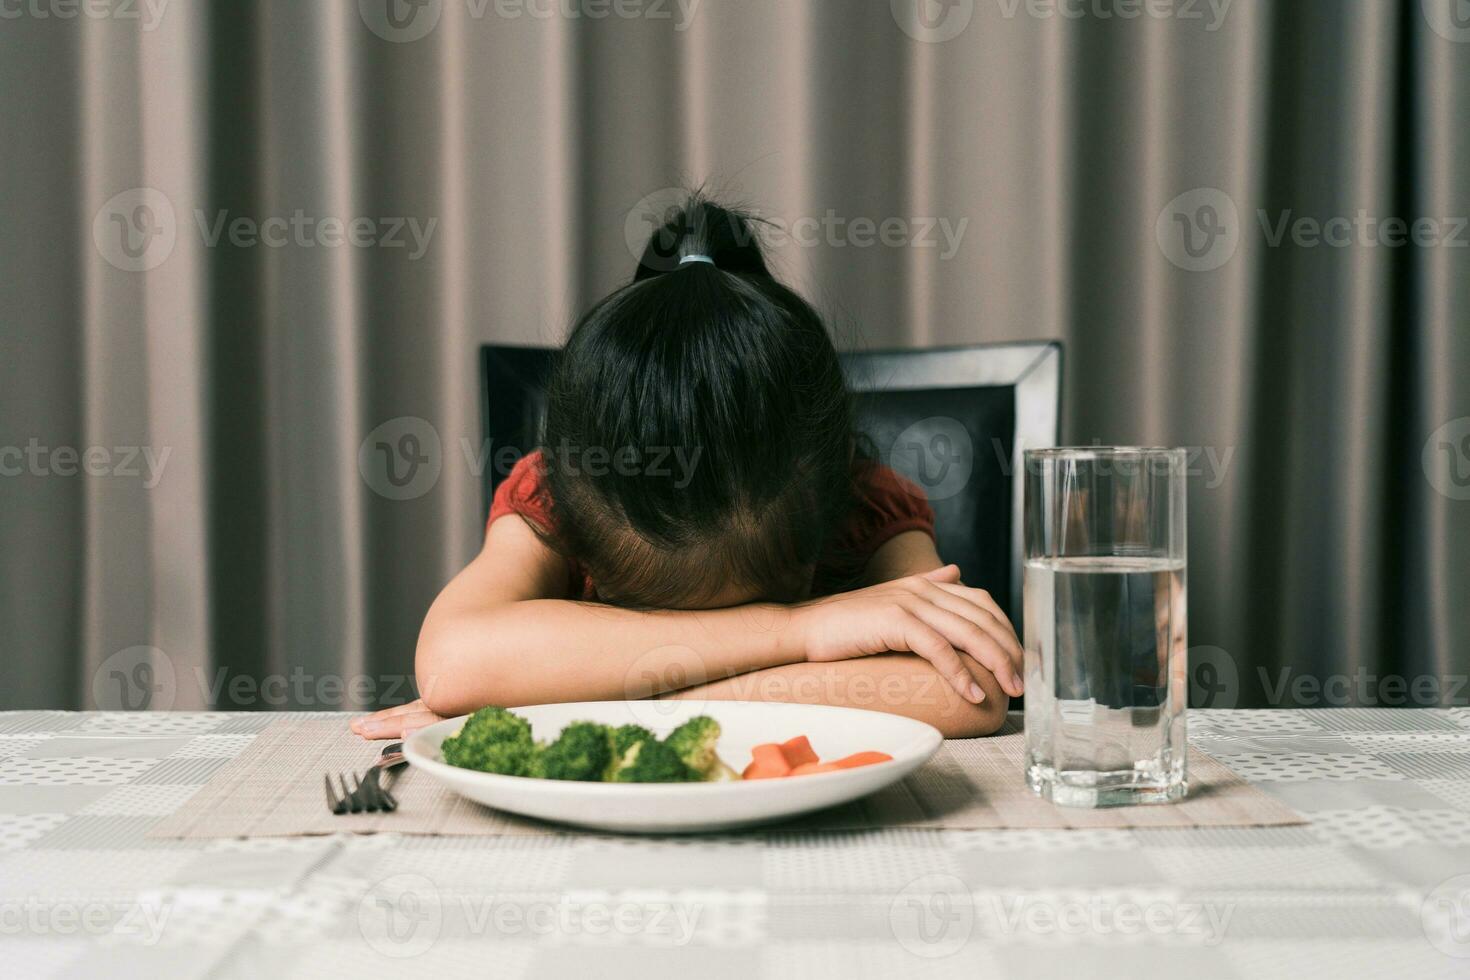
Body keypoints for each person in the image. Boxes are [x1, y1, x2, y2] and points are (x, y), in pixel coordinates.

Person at [352, 194, 1022, 741]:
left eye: (758, 609)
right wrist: (798, 631)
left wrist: (583, 700)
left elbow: (972, 690)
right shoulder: (556, 492)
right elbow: (452, 661)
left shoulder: (862, 499)